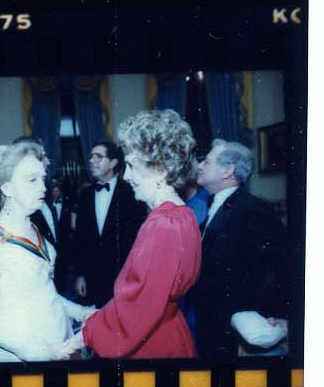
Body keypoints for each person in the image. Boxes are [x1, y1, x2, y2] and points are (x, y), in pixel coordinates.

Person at [76, 109, 200, 358]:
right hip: (165, 331)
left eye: (132, 166)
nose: (127, 176)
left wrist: (82, 336)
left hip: (149, 342)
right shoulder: (183, 214)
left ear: (162, 170)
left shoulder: (163, 224)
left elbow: (138, 305)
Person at [0, 141, 87, 362]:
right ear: (7, 187)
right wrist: (30, 349)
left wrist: (81, 312)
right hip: (16, 350)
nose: (43, 187)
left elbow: (43, 292)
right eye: (32, 180)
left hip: (56, 336)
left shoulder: (33, 227)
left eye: (42, 179)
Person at [187, 140, 289, 357]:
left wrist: (281, 314)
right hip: (210, 321)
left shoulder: (252, 208)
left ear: (227, 171)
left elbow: (281, 264)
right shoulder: (214, 205)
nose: (200, 165)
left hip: (235, 325)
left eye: (207, 161)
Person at [55, 136, 143, 310]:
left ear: (113, 163)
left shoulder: (131, 193)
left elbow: (136, 240)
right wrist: (80, 275)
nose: (91, 161)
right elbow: (80, 239)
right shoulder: (85, 194)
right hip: (92, 278)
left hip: (123, 277)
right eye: (91, 156)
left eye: (98, 157)